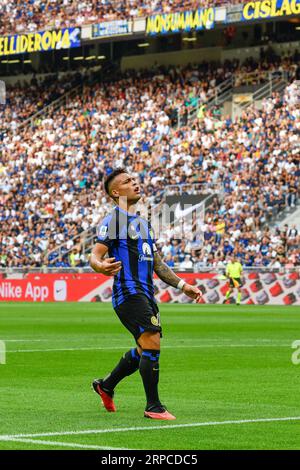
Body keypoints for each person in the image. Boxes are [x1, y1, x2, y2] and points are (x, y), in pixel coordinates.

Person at [90, 168, 202, 420]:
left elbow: (158, 264)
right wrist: (100, 266)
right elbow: (95, 255)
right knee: (152, 341)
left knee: (143, 350)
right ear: (116, 192)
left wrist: (184, 286)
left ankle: (105, 386)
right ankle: (153, 407)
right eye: (128, 181)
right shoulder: (114, 220)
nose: (135, 183)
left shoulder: (143, 224)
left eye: (134, 179)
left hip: (146, 294)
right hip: (128, 293)